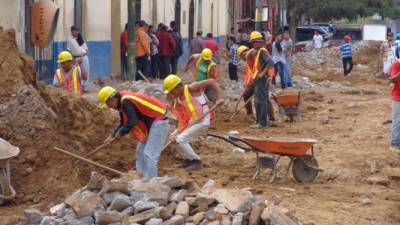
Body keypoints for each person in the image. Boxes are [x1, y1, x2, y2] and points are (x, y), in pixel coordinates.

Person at [97, 86, 170, 179]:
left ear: (111, 99)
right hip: (152, 125)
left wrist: (121, 133)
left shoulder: (126, 101)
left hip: (159, 122)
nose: (109, 107)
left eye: (107, 104)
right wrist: (112, 135)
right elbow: (123, 122)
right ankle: (141, 177)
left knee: (149, 153)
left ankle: (153, 182)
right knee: (140, 151)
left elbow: (133, 120)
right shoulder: (122, 103)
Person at [163, 75, 224, 170]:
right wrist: (177, 132)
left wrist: (219, 98)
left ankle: (196, 161)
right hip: (193, 122)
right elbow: (183, 120)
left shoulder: (192, 88)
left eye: (172, 91)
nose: (171, 93)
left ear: (178, 87)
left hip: (203, 122)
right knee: (172, 138)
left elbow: (211, 81)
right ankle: (188, 160)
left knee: (178, 140)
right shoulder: (179, 99)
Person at [247, 31, 275, 129]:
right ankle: (259, 121)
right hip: (258, 79)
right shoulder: (258, 52)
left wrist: (262, 73)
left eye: (255, 42)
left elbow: (270, 62)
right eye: (253, 42)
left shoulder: (262, 51)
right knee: (258, 100)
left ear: (260, 42)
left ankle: (262, 123)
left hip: (262, 79)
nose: (253, 44)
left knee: (261, 100)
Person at [67, 26, 90, 92]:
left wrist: (83, 56)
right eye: (75, 31)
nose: (76, 32)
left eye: (77, 31)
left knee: (85, 71)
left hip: (83, 57)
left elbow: (86, 49)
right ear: (72, 31)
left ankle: (85, 87)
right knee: (78, 72)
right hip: (76, 58)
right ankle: (79, 86)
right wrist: (72, 59)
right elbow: (69, 50)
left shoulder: (81, 39)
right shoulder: (70, 40)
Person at [387, 59, 400, 153]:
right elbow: (392, 79)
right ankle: (394, 144)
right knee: (398, 120)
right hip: (398, 96)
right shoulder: (396, 64)